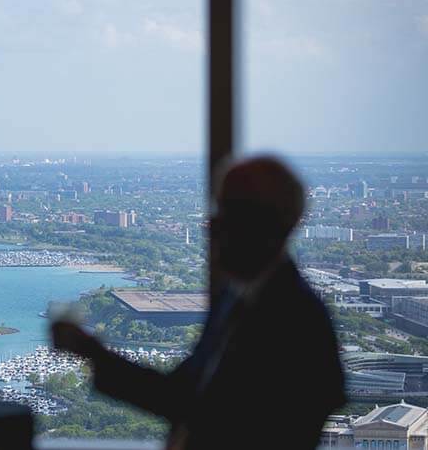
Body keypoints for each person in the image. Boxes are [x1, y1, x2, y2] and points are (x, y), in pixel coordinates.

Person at [52, 156, 345, 449]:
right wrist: (93, 353)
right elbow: (181, 395)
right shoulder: (233, 300)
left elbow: (214, 416)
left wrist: (96, 356)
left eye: (229, 211)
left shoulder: (300, 322)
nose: (212, 225)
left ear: (269, 225)